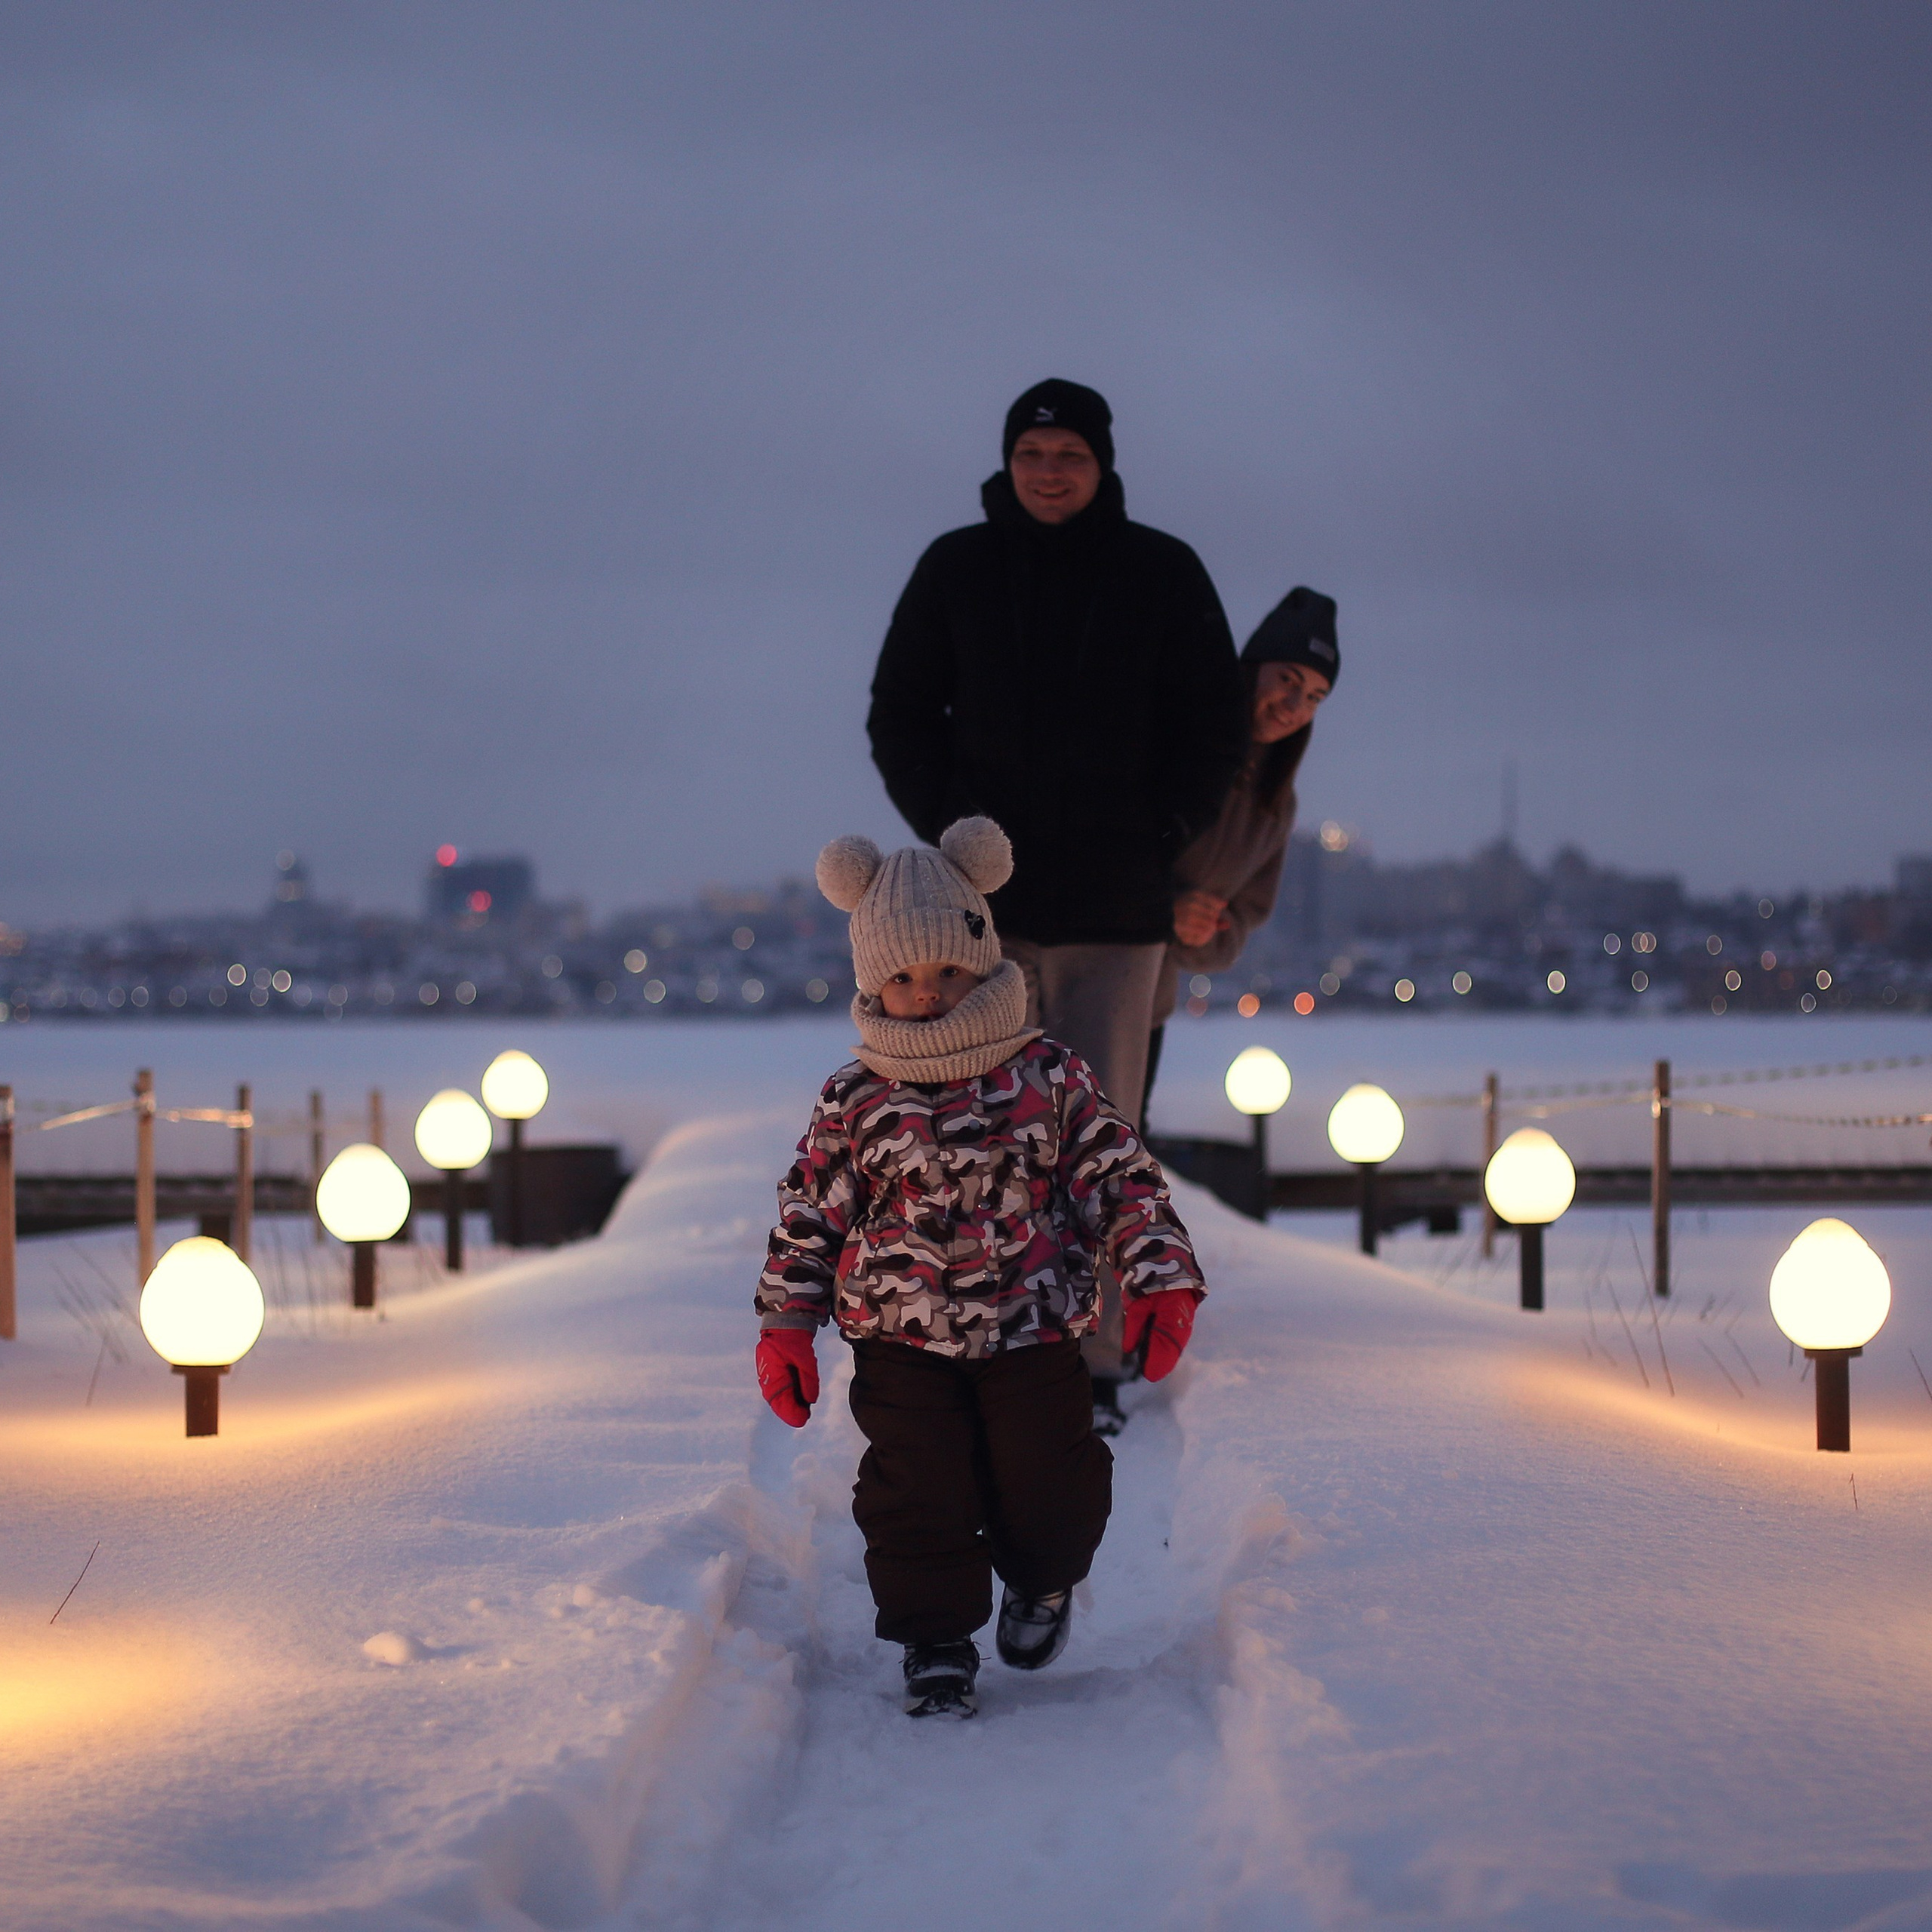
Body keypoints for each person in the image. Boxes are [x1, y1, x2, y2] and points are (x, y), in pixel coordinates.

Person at [753, 817, 1207, 1719]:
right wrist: (785, 1322)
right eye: (904, 978)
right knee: (916, 1487)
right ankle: (935, 1637)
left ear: (985, 960)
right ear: (873, 983)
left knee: (1051, 1476)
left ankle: (1042, 1582)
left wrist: (1158, 1273)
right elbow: (809, 1212)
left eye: (948, 972)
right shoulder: (855, 1099)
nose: (928, 996)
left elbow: (1117, 1174)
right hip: (899, 1336)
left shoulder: (1046, 1074)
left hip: (1032, 1326)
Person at [866, 378, 1244, 1429]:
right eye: (1033, 455)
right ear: (1008, 461)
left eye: (1070, 455)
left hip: (1120, 920)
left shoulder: (1161, 573)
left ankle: (1096, 1363)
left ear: (1102, 463)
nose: (1050, 473)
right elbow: (898, 712)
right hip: (981, 927)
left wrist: (1158, 829)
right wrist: (954, 842)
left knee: (1100, 1139)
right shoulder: (958, 568)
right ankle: (987, 1349)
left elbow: (1213, 724)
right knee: (978, 1143)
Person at [1143, 587, 1340, 1118]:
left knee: (1115, 1148)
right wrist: (1167, 909)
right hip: (1083, 980)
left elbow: (1244, 918)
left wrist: (1203, 930)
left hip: (1149, 1004)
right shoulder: (1170, 741)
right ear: (1251, 668)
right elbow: (1098, 852)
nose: (1297, 707)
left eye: (1316, 697)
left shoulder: (1275, 804)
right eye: (1289, 681)